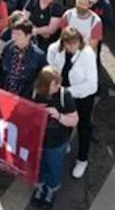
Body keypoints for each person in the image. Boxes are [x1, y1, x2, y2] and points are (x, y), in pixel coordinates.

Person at [46, 26, 98, 179]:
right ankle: (64, 144)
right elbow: (51, 66)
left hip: (83, 97)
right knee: (63, 122)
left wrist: (69, 92)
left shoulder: (88, 55)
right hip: (63, 94)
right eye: (68, 44)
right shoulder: (55, 49)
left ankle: (82, 159)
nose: (71, 47)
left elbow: (92, 85)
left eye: (75, 44)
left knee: (84, 127)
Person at [29, 66, 78, 207]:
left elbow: (74, 120)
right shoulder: (35, 93)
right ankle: (40, 188)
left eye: (58, 83)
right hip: (38, 142)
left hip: (56, 143)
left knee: (54, 168)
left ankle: (50, 191)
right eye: (54, 84)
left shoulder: (64, 95)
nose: (58, 86)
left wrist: (58, 115)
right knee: (39, 166)